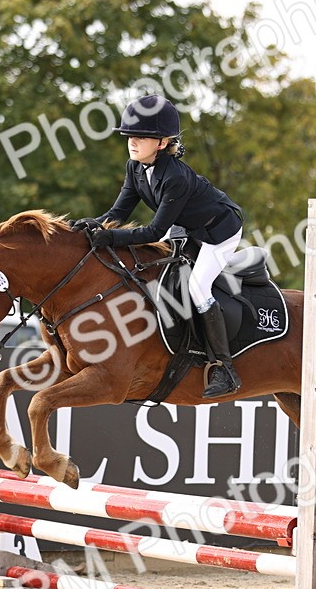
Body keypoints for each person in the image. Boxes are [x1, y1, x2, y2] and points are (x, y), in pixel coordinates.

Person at [72, 94, 246, 398]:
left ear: (163, 143)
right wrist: (95, 224)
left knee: (197, 288)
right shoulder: (134, 167)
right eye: (130, 136)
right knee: (158, 276)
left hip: (219, 232)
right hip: (188, 228)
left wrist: (110, 237)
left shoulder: (175, 177)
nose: (132, 142)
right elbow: (118, 214)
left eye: (141, 136)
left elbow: (154, 231)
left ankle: (224, 367)